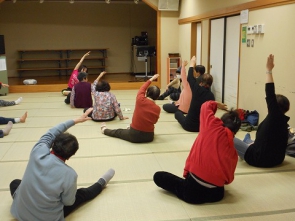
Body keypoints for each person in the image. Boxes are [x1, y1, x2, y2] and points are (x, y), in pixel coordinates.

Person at [9, 108, 115, 221]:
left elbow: (51, 132)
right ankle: (101, 183)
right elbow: (68, 202)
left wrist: (75, 121)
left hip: (19, 212)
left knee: (15, 183)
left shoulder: (38, 151)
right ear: (70, 156)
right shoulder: (70, 174)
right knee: (80, 195)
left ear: (53, 144)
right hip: (47, 218)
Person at [153, 100, 241, 204]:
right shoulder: (233, 152)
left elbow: (205, 106)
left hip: (192, 193)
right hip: (217, 194)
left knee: (158, 176)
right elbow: (229, 179)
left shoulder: (212, 126)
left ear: (221, 121)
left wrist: (216, 104)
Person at [233, 54, 290, 168]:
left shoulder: (274, 117)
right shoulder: (283, 123)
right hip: (277, 160)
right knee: (249, 139)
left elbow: (269, 92)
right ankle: (248, 141)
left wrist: (268, 70)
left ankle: (247, 143)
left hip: (258, 159)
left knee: (227, 136)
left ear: (274, 106)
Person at [101, 74, 161, 143]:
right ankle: (129, 129)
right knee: (128, 130)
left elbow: (142, 88)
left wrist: (151, 79)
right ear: (157, 97)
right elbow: (154, 122)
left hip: (134, 135)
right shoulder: (157, 108)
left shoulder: (140, 99)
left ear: (147, 93)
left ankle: (104, 130)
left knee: (118, 132)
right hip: (149, 137)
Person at [175, 56, 215, 132]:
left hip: (189, 125)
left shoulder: (196, 89)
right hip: (202, 127)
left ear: (201, 82)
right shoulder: (211, 96)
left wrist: (192, 63)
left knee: (177, 114)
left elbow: (190, 77)